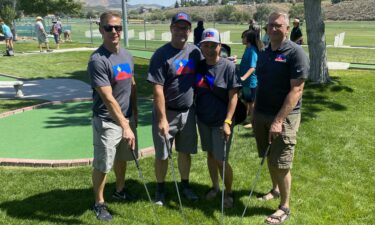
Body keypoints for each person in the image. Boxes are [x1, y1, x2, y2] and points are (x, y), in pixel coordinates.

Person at [253, 12, 309, 224]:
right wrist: (255, 109)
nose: (274, 29)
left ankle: (284, 207)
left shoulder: (295, 53)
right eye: (271, 25)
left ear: (287, 29)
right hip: (262, 112)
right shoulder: (265, 52)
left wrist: (278, 121)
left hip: (284, 117)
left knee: (282, 162)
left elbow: (297, 90)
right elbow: (261, 83)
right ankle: (275, 190)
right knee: (269, 155)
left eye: (278, 26)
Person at [147, 12, 202, 206]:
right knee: (162, 155)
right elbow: (157, 89)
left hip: (188, 111)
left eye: (185, 28)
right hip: (167, 113)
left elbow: (207, 70)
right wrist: (162, 119)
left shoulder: (195, 52)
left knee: (185, 152)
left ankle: (185, 185)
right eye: (178, 27)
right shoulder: (161, 55)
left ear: (189, 31)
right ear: (171, 28)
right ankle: (160, 189)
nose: (182, 31)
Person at [87, 11, 138, 221]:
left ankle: (120, 190)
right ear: (101, 29)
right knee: (103, 163)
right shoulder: (97, 60)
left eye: (118, 28)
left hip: (126, 118)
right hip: (108, 121)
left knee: (122, 158)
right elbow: (108, 98)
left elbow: (131, 84)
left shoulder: (126, 55)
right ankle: (99, 203)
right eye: (109, 28)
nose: (114, 32)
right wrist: (124, 125)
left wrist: (133, 113)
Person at [195, 28, 241, 208]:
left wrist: (228, 121)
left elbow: (234, 97)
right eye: (205, 45)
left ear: (220, 46)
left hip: (222, 122)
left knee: (221, 159)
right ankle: (215, 187)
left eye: (212, 45)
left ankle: (228, 192)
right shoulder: (199, 65)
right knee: (210, 155)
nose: (208, 49)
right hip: (203, 119)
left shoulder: (228, 67)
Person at [239, 30, 260, 129]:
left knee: (251, 103)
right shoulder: (247, 48)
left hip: (250, 82)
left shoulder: (252, 50)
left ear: (248, 39)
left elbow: (253, 67)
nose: (242, 39)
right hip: (245, 83)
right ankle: (245, 118)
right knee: (245, 100)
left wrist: (243, 77)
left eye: (243, 37)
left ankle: (253, 122)